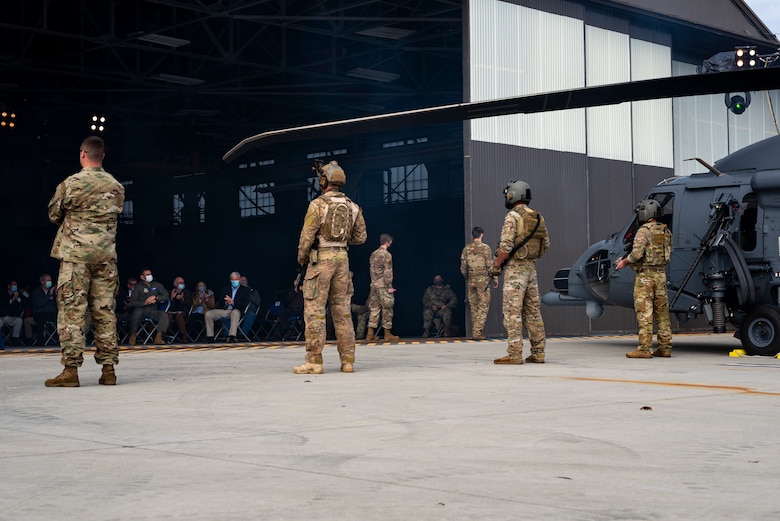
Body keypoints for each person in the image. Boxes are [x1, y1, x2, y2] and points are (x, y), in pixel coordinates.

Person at [44, 136, 125, 387]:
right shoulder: (117, 187)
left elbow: (54, 214)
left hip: (76, 258)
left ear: (82, 153)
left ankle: (71, 372)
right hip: (105, 259)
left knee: (72, 312)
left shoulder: (70, 184)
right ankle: (108, 370)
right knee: (104, 312)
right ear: (103, 155)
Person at [293, 160, 367, 374]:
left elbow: (306, 237)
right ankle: (348, 361)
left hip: (320, 261)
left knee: (315, 311)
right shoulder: (353, 207)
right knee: (343, 312)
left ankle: (314, 361)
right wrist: (341, 241)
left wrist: (302, 259)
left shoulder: (317, 205)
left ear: (323, 180)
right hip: (343, 260)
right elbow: (361, 237)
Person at [491, 180, 549, 365]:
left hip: (516, 270)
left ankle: (514, 354)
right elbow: (546, 245)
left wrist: (497, 264)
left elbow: (506, 246)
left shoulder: (513, 216)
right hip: (531, 268)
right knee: (533, 311)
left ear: (513, 195)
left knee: (512, 311)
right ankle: (538, 353)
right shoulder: (538, 217)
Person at [615, 199, 673, 358]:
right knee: (662, 313)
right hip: (661, 274)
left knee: (645, 313)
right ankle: (665, 347)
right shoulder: (665, 231)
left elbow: (636, 254)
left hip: (646, 276)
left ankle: (645, 349)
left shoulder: (643, 231)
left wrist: (624, 262)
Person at [460, 226, 497, 340]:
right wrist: (495, 279)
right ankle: (477, 332)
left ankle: (476, 332)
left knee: (474, 306)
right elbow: (490, 265)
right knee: (483, 306)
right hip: (483, 283)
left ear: (473, 235)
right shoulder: (486, 248)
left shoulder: (467, 248)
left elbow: (463, 267)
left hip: (471, 281)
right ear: (482, 234)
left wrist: (468, 277)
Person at [366, 233, 399, 342]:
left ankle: (370, 334)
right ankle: (387, 334)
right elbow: (388, 272)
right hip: (383, 285)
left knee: (374, 309)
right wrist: (389, 286)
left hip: (374, 285)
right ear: (388, 242)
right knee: (387, 308)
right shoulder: (386, 255)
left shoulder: (373, 254)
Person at [205, 271, 251, 343]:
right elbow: (220, 300)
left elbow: (245, 303)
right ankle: (210, 336)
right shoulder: (225, 289)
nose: (234, 281)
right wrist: (226, 302)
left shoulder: (245, 290)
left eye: (236, 279)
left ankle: (232, 336)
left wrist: (233, 302)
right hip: (225, 310)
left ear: (239, 280)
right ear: (230, 280)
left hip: (236, 310)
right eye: (232, 279)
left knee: (235, 312)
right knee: (208, 314)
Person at [127, 268, 169, 346]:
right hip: (141, 310)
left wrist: (156, 298)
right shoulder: (138, 287)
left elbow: (166, 296)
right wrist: (145, 303)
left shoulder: (157, 285)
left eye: (150, 274)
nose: (150, 276)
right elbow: (133, 302)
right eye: (147, 274)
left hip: (153, 311)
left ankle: (159, 337)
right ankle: (133, 334)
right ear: (142, 277)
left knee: (163, 314)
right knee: (136, 313)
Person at [25, 274, 58, 345]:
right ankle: (40, 340)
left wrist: (55, 294)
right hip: (40, 314)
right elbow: (39, 303)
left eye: (50, 280)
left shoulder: (53, 292)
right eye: (48, 280)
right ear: (42, 282)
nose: (50, 282)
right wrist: (49, 295)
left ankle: (59, 339)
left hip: (52, 313)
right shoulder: (36, 292)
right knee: (41, 319)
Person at [167, 276, 192, 342]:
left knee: (179, 317)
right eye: (180, 282)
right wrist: (172, 298)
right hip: (171, 311)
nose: (182, 284)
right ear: (175, 284)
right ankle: (165, 335)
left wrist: (182, 300)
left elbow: (190, 303)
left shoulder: (187, 292)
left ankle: (184, 336)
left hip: (183, 311)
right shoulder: (170, 292)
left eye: (183, 282)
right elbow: (166, 304)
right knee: (167, 317)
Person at [1, 280, 25, 346]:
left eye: (16, 285)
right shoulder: (3, 294)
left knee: (19, 320)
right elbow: (2, 305)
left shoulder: (19, 294)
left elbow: (25, 302)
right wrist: (11, 300)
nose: (15, 286)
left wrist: (17, 299)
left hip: (11, 317)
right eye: (13, 285)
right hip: (2, 316)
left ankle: (15, 338)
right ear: (9, 286)